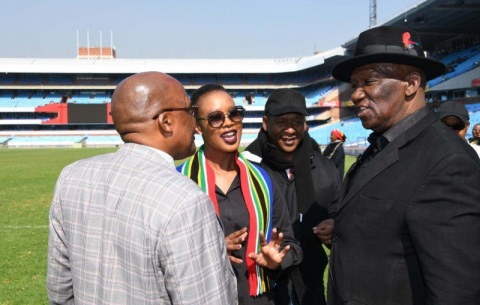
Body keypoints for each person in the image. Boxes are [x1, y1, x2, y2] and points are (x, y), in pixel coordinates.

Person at [47, 72, 237, 305]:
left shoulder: (72, 177)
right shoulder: (185, 199)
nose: (195, 122)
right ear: (166, 122)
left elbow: (60, 292)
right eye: (190, 112)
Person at [328, 26, 480, 305]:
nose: (356, 95)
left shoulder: (448, 163)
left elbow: (456, 292)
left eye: (369, 82)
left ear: (410, 84)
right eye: (354, 84)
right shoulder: (382, 143)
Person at [177, 84, 302, 305]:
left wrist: (276, 262)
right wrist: (211, 250)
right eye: (216, 117)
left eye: (234, 113)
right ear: (198, 127)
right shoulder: (178, 181)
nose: (228, 122)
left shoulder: (264, 180)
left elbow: (292, 245)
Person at [244, 88, 341, 305]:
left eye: (297, 122)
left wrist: (334, 224)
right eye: (282, 122)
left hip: (310, 285)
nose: (290, 130)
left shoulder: (326, 169)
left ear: (305, 124)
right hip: (263, 288)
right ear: (266, 123)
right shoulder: (245, 169)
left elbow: (340, 214)